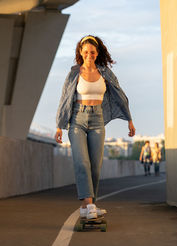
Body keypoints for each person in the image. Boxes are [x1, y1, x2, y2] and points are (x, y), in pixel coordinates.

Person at [55, 35, 135, 219]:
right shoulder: (74, 73)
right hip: (77, 120)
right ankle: (89, 205)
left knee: (95, 165)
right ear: (80, 53)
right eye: (85, 52)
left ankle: (87, 206)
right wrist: (59, 126)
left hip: (97, 120)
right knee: (82, 162)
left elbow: (119, 94)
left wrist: (129, 119)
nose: (89, 55)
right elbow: (64, 98)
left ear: (97, 53)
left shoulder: (105, 73)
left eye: (92, 52)